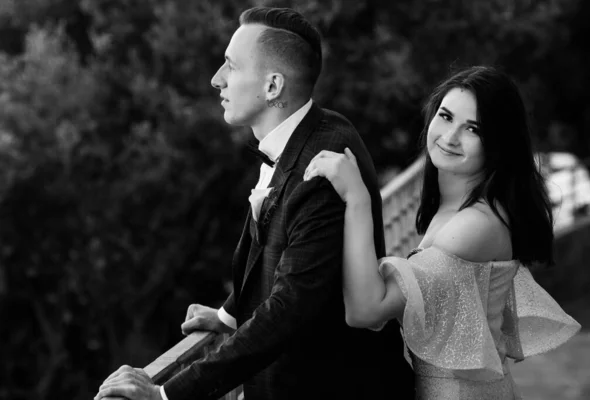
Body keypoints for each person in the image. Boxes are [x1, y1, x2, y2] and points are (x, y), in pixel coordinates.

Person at [95, 6, 414, 400]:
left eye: (231, 66)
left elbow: (289, 309)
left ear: (273, 86)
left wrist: (166, 395)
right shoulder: (316, 130)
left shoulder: (322, 167)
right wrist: (230, 314)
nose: (217, 79)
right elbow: (274, 245)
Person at [304, 65, 581, 399]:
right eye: (446, 117)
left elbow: (366, 310)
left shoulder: (474, 227)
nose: (450, 137)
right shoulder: (453, 209)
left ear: (499, 143)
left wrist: (358, 198)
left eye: (473, 129)